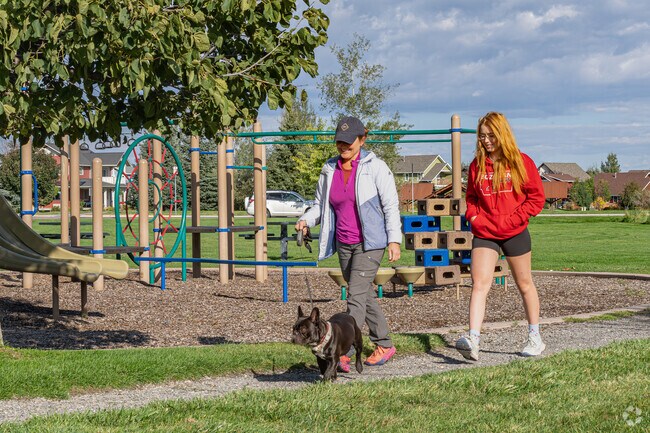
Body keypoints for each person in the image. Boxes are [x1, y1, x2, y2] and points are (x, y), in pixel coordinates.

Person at [295, 116, 402, 371]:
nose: (343, 147)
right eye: (339, 143)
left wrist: (394, 239)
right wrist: (305, 220)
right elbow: (320, 206)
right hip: (344, 242)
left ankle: (345, 349)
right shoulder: (328, 169)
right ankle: (384, 343)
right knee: (363, 295)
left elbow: (391, 205)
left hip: (370, 242)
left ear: (362, 139)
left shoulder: (375, 167)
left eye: (349, 143)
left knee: (354, 296)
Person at [456, 112, 546, 361]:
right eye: (482, 136)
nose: (486, 141)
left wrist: (513, 220)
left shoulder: (521, 162)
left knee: (524, 283)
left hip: (515, 232)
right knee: (479, 284)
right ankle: (473, 339)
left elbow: (536, 199)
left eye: (491, 135)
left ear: (502, 134)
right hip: (485, 233)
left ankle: (535, 337)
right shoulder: (476, 165)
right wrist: (475, 218)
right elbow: (472, 197)